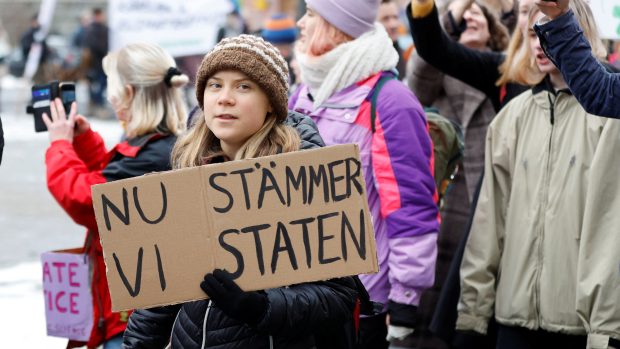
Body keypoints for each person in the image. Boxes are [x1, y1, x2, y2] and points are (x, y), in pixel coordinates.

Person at [122, 34, 361, 349]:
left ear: (270, 103)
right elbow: (161, 290)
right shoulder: (188, 168)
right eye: (215, 85)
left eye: (244, 86)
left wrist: (261, 307)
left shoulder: (304, 175)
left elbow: (339, 296)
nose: (225, 98)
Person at [457, 3, 620, 348]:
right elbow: (488, 225)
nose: (538, 43)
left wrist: (606, 330)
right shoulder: (511, 118)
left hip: (580, 324)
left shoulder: (609, 120)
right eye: (531, 34)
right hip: (515, 318)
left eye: (547, 31)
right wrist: (472, 315)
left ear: (580, 33)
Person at [290, 1, 440, 348]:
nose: (301, 23)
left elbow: (411, 212)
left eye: (311, 14)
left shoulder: (389, 102)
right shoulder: (303, 96)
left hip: (364, 304)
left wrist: (404, 304)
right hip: (304, 299)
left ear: (335, 26)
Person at [43, 42, 188, 349]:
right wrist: (84, 142)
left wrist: (60, 145)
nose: (109, 98)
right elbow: (113, 181)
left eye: (112, 87)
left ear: (130, 93)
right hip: (137, 311)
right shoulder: (161, 146)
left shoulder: (149, 156)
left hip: (131, 321)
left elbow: (86, 199)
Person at [405, 1, 508, 348]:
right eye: (466, 12)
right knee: (429, 307)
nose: (472, 14)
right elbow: (421, 68)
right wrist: (448, 14)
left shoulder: (507, 73)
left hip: (488, 205)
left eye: (480, 11)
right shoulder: (437, 74)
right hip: (441, 205)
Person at [407, 0, 542, 112]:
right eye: (460, 16)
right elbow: (431, 47)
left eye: (475, 13)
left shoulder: (505, 66)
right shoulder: (441, 69)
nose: (468, 17)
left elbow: (518, 34)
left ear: (490, 28)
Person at [533, 0, 619, 118]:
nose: (538, 44)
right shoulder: (518, 108)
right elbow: (601, 92)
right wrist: (559, 16)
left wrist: (560, 19)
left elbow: (600, 93)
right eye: (533, 35)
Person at [84, 8, 109, 111]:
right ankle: (96, 103)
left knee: (101, 83)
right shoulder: (92, 29)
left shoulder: (102, 28)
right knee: (98, 84)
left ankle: (96, 102)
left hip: (101, 62)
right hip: (96, 63)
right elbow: (94, 46)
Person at [377, 0, 407, 78]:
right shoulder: (368, 62)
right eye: (385, 19)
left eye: (395, 17)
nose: (393, 24)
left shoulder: (406, 56)